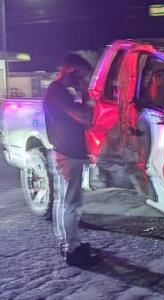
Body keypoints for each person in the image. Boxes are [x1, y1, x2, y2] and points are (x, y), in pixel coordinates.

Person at [44, 53, 98, 266]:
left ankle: (67, 242)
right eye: (81, 75)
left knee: (64, 201)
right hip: (68, 154)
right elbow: (85, 117)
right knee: (71, 204)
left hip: (66, 153)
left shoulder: (59, 92)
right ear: (71, 70)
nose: (82, 79)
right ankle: (71, 250)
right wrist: (86, 94)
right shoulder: (57, 91)